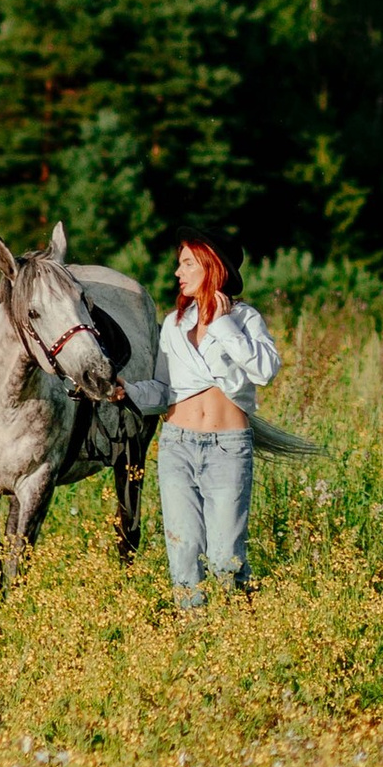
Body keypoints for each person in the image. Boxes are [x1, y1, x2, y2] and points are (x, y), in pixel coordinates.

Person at [119, 237, 280, 612]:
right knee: (185, 554)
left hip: (228, 448)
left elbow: (265, 371)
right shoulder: (174, 324)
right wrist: (126, 392)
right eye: (180, 263)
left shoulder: (244, 319)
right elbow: (163, 391)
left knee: (225, 559)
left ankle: (241, 624)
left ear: (212, 266)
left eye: (188, 263)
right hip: (177, 446)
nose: (178, 272)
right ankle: (193, 635)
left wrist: (222, 325)